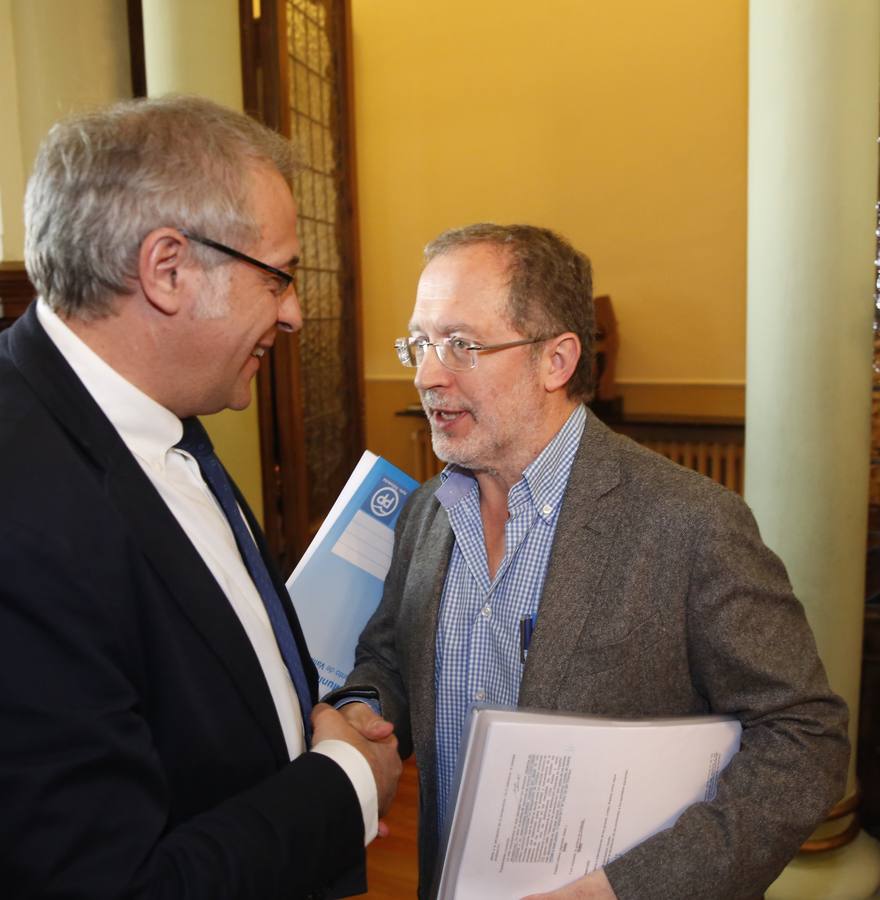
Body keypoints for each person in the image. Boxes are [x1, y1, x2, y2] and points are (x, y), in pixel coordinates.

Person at [339, 223, 850, 899]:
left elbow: (805, 738)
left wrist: (625, 889)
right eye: (421, 343)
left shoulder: (692, 524)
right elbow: (391, 660)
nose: (428, 375)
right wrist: (360, 712)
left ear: (556, 360)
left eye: (462, 345)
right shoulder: (428, 513)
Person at [0, 96, 401, 900]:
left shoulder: (159, 408)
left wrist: (305, 719)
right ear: (169, 269)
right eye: (278, 276)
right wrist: (346, 780)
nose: (293, 313)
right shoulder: (23, 511)